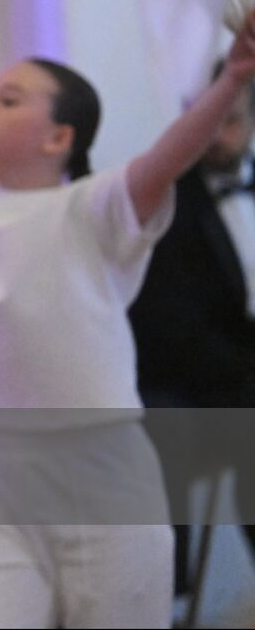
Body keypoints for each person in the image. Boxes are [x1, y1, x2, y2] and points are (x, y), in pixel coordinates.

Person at [0, 0, 255, 628]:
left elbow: (169, 156)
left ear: (59, 138)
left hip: (106, 489)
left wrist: (233, 78)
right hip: (7, 488)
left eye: (11, 98)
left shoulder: (94, 210)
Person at [128, 63, 255, 586]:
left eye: (233, 121)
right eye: (210, 122)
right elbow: (175, 326)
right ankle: (171, 598)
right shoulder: (167, 203)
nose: (219, 136)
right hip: (199, 385)